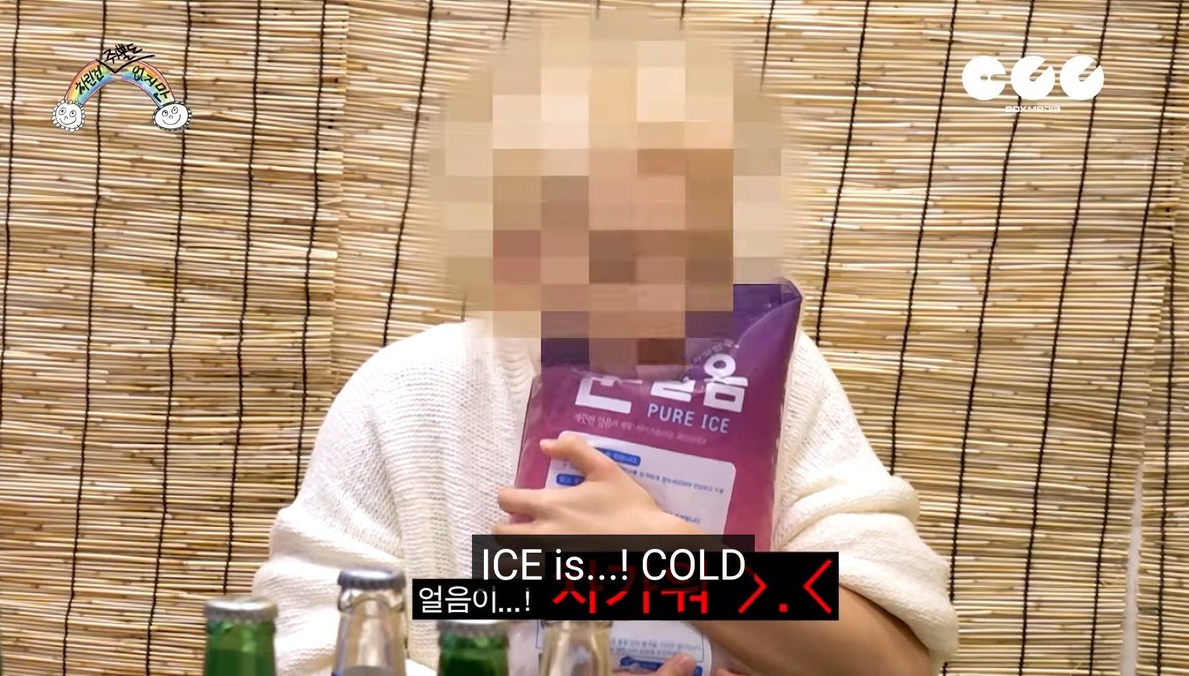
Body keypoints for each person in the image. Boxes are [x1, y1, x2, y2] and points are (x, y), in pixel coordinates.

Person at [253, 9, 959, 676]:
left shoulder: (774, 382)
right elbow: (303, 650)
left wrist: (663, 558)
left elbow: (895, 657)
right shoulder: (408, 392)